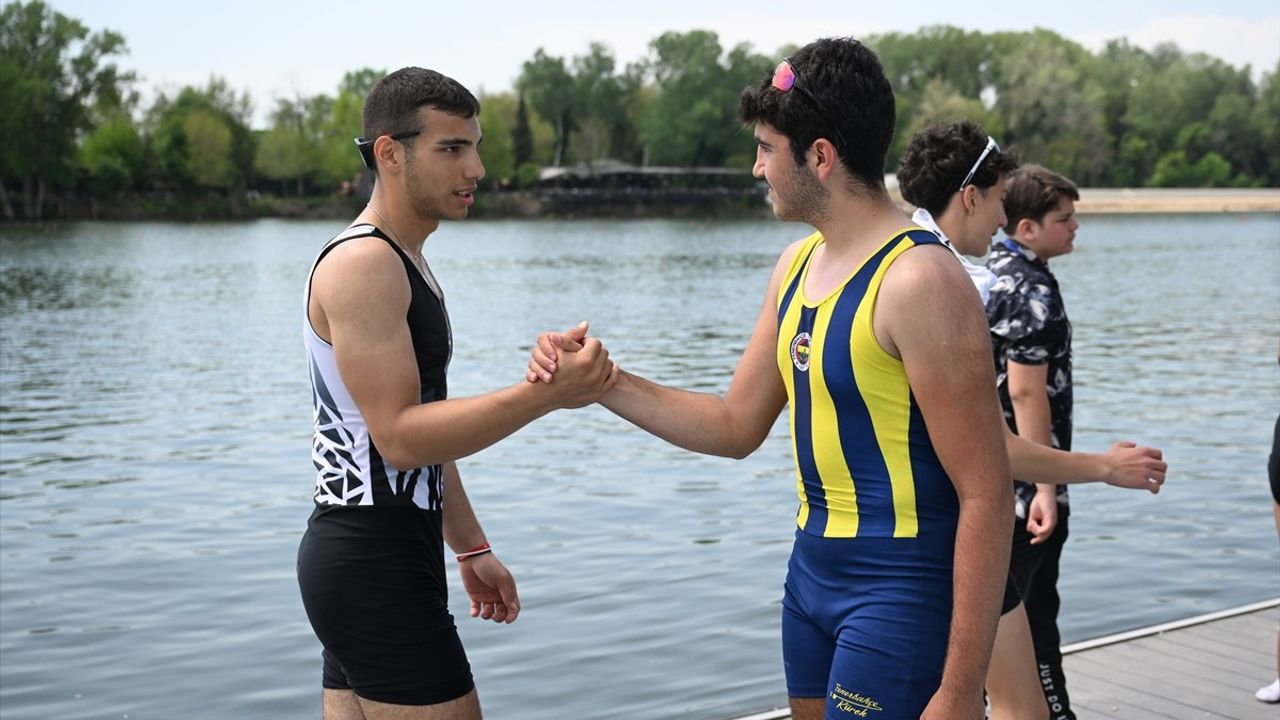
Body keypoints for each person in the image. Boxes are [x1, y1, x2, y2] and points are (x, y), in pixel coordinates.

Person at [537, 38, 1013, 719]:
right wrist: (603, 382)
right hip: (809, 580)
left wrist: (962, 689)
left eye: (765, 147)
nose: (756, 166)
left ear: (819, 157)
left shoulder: (921, 281)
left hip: (900, 589)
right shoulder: (794, 267)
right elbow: (735, 427)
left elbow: (987, 492)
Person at [295, 67, 616, 720]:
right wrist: (546, 395)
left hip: (380, 557)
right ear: (390, 153)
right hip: (369, 559)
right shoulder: (364, 264)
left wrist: (469, 546)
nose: (476, 168)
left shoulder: (404, 260)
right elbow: (400, 437)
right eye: (451, 148)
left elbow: (425, 427)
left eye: (475, 145)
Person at [896, 120, 1168, 720]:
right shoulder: (948, 285)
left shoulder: (910, 267)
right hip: (956, 525)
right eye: (996, 199)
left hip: (926, 523)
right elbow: (1004, 425)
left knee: (1011, 699)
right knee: (1013, 696)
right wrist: (1096, 469)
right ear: (970, 196)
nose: (999, 219)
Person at [984, 164, 1085, 720]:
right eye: (1064, 219)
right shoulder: (1031, 290)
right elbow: (1026, 393)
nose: (1075, 229)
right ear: (1027, 228)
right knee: (1033, 617)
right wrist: (1047, 487)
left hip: (997, 479)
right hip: (1028, 487)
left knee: (1007, 620)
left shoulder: (994, 271)